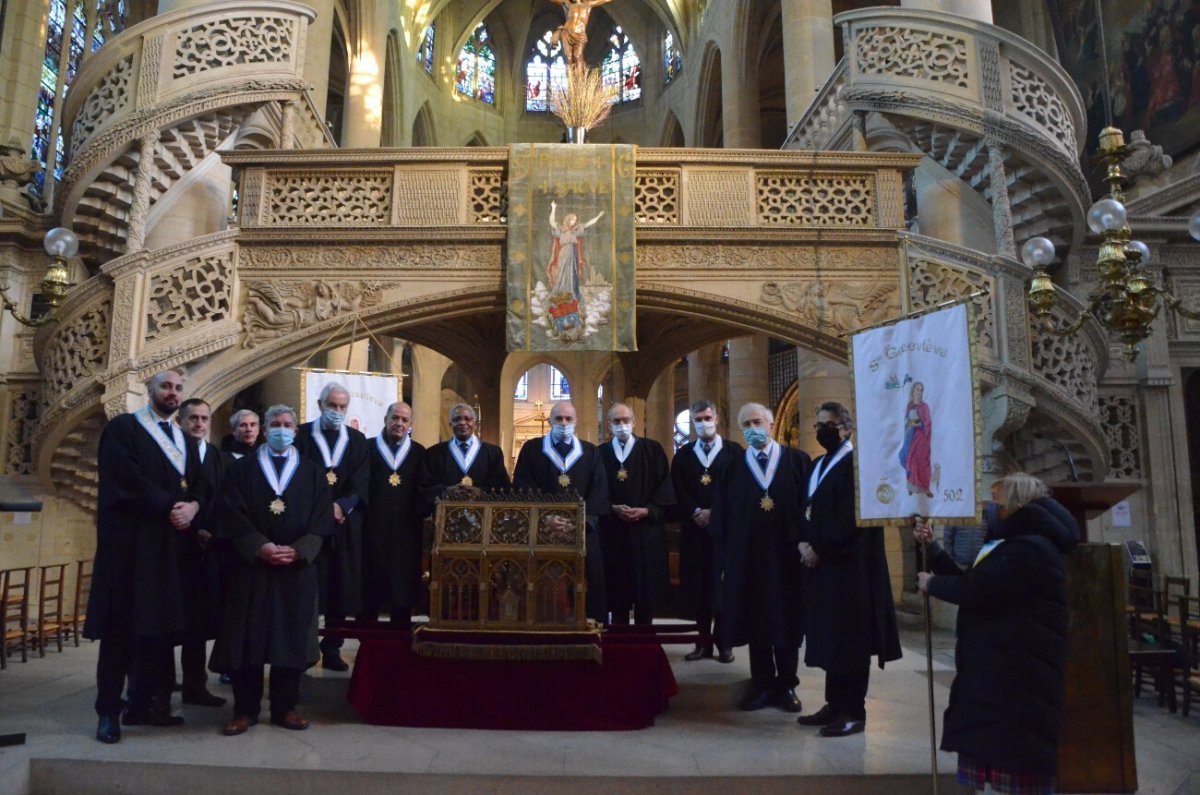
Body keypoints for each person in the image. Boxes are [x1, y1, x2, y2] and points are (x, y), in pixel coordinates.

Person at [915, 473, 1079, 794]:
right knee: (995, 756)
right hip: (1001, 671)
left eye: (995, 498)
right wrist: (933, 550)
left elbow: (978, 590)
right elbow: (975, 582)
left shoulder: (1029, 548)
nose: (988, 507)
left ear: (1014, 503)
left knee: (1012, 762)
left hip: (1015, 676)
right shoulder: (1012, 544)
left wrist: (932, 583)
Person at [85, 370, 199, 743]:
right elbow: (126, 479)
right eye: (166, 386)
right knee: (120, 631)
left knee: (158, 632)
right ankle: (108, 713)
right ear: (150, 391)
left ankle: (144, 704)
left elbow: (197, 484)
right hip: (132, 548)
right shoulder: (124, 429)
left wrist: (194, 507)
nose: (173, 393)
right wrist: (170, 505)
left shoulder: (183, 438)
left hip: (169, 550)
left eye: (179, 388)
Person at [216, 405, 333, 736]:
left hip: (296, 570)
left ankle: (286, 708)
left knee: (290, 639)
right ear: (265, 430)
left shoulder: (313, 472)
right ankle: (245, 710)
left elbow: (323, 520)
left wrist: (300, 550)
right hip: (252, 568)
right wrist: (259, 546)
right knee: (249, 639)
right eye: (275, 424)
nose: (281, 429)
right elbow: (230, 513)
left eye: (287, 425)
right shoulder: (242, 469)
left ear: (295, 432)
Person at [798, 401, 902, 737]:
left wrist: (820, 548)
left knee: (851, 642)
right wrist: (803, 543)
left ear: (846, 427)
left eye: (827, 425)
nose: (821, 431)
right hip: (822, 569)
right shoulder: (819, 464)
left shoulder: (861, 465)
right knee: (831, 640)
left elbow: (852, 518)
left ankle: (853, 711)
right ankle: (833, 704)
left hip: (851, 569)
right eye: (817, 426)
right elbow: (807, 509)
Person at [710, 403, 807, 714]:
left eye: (757, 422)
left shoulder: (797, 461)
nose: (753, 428)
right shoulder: (731, 467)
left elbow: (809, 510)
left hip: (787, 559)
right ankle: (762, 684)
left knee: (787, 622)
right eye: (746, 425)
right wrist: (725, 562)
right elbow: (721, 517)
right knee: (757, 623)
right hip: (747, 561)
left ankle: (787, 685)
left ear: (771, 423)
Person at [294, 382, 369, 672]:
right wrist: (322, 510)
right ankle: (304, 648)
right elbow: (295, 475)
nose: (337, 412)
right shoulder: (302, 436)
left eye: (342, 407)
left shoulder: (357, 440)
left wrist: (342, 505)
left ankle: (333, 648)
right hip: (309, 526)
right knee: (308, 587)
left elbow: (362, 480)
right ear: (320, 404)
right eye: (332, 406)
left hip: (344, 525)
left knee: (339, 587)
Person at [513, 400, 609, 622]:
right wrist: (546, 519)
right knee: (539, 582)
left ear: (576, 421)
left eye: (568, 419)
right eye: (559, 419)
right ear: (549, 422)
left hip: (583, 530)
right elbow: (522, 485)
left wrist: (577, 523)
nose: (563, 423)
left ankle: (589, 628)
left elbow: (599, 490)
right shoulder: (533, 449)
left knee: (591, 579)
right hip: (542, 531)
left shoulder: (590, 451)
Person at [671, 399, 741, 663]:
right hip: (694, 532)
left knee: (723, 586)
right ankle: (702, 643)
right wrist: (695, 511)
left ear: (717, 419)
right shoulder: (684, 455)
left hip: (724, 533)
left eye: (706, 418)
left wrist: (715, 512)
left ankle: (725, 644)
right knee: (699, 587)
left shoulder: (734, 453)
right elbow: (677, 488)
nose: (703, 423)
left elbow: (738, 490)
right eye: (697, 420)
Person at [599, 402, 675, 625]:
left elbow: (664, 488)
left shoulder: (652, 450)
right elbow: (595, 488)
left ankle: (645, 639)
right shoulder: (600, 453)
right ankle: (619, 640)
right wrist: (611, 507)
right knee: (617, 592)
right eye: (616, 421)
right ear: (609, 425)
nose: (621, 425)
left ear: (634, 422)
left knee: (645, 593)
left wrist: (647, 510)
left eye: (625, 420)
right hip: (613, 532)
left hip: (646, 532)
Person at [173, 398, 226, 708]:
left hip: (207, 553)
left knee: (197, 626)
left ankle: (196, 685)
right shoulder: (173, 456)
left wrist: (214, 534)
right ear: (181, 421)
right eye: (193, 418)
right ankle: (160, 683)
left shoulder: (217, 456)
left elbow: (223, 500)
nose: (199, 424)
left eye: (204, 418)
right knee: (167, 622)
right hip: (177, 550)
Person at [361, 402, 427, 629]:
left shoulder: (419, 453)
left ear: (411, 425)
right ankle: (367, 643)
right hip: (371, 532)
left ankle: (399, 643)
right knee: (370, 590)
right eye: (395, 418)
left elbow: (424, 491)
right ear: (386, 419)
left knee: (403, 591)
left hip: (406, 534)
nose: (399, 423)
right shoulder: (367, 449)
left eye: (404, 420)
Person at [418, 403, 511, 501]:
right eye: (457, 419)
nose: (462, 423)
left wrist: (481, 492)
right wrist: (446, 490)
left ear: (475, 424)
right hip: (447, 512)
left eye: (467, 419)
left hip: (481, 513)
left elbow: (502, 487)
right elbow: (425, 486)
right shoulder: (434, 453)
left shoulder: (493, 453)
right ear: (450, 424)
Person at [548, 0, 614, 70]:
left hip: (580, 34)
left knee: (577, 55)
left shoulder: (588, 4)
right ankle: (571, 79)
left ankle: (579, 80)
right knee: (569, 57)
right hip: (567, 32)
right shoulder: (567, 4)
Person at [899, 381, 932, 497]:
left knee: (923, 463)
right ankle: (911, 486)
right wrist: (910, 424)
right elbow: (906, 423)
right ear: (913, 391)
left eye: (921, 390)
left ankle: (926, 488)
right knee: (911, 460)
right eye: (917, 389)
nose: (919, 392)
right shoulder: (910, 406)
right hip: (912, 438)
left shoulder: (925, 407)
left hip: (922, 439)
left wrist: (921, 424)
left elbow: (928, 423)